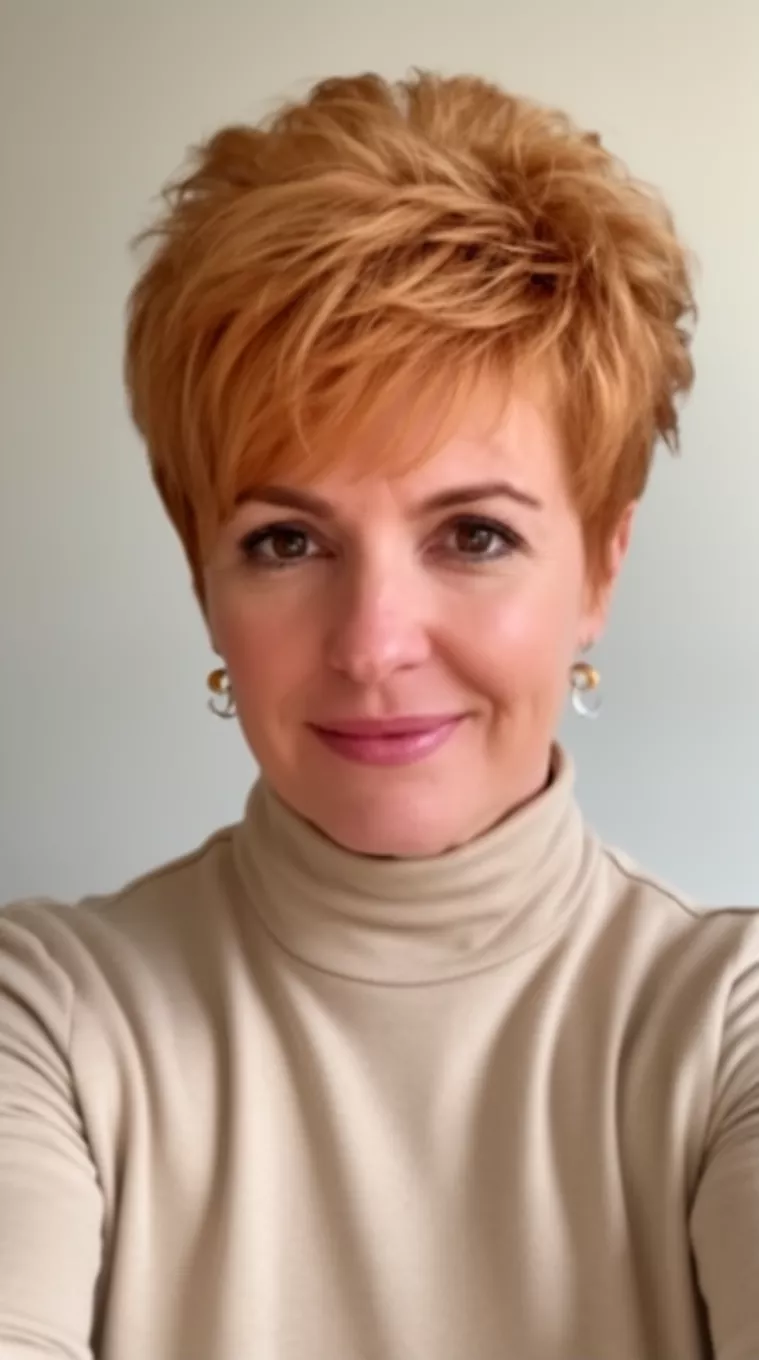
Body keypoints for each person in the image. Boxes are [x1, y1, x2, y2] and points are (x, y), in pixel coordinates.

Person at [0, 69, 756, 1360]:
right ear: (202, 575)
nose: (370, 646)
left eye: (472, 534)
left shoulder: (724, 1029)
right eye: (287, 541)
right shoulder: (53, 1022)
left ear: (601, 569)